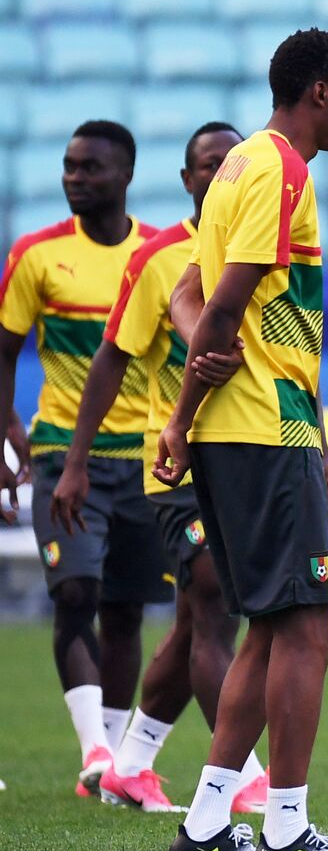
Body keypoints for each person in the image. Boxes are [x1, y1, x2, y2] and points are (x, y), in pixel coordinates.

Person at [160, 28, 328, 851]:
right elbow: (217, 310)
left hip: (258, 427)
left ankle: (207, 827)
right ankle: (288, 831)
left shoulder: (238, 168)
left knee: (270, 624)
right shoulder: (282, 171)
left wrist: (204, 409)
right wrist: (181, 416)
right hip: (256, 427)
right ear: (320, 91)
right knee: (308, 626)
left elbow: (190, 296)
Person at [50, 122, 271, 814]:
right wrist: (76, 461)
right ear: (187, 180)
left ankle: (132, 760)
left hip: (248, 456)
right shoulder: (158, 259)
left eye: (228, 164)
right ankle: (244, 777)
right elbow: (113, 357)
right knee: (213, 603)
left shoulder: (258, 251)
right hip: (173, 466)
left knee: (190, 622)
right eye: (205, 166)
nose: (217, 176)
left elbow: (292, 356)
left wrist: (320, 449)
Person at [0, 120, 169, 797]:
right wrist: (8, 420)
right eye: (70, 166)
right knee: (75, 592)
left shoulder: (157, 254)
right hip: (63, 453)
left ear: (123, 175)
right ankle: (97, 752)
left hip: (145, 459)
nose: (75, 178)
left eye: (90, 168)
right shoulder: (37, 256)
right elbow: (5, 348)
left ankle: (113, 768)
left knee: (127, 610)